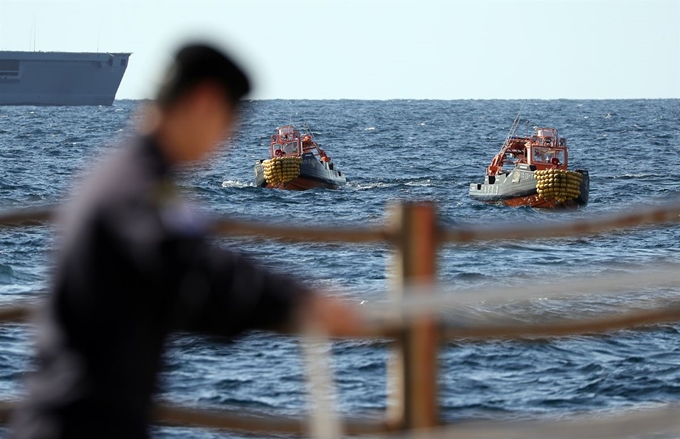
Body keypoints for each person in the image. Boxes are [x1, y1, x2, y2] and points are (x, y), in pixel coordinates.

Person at [9, 42, 363, 439]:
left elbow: (190, 255)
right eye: (230, 124)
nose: (225, 140)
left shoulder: (128, 173)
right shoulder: (137, 188)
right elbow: (190, 262)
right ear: (204, 103)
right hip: (81, 424)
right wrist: (299, 301)